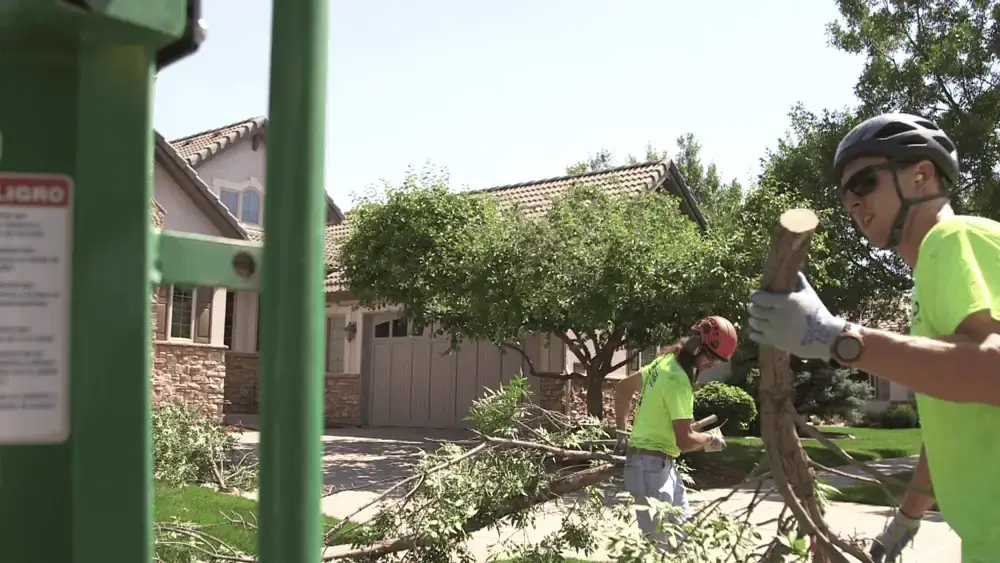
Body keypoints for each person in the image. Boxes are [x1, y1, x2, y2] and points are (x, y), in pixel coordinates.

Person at [745, 112, 1000, 563]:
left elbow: (993, 370)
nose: (852, 203)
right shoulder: (930, 275)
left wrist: (837, 338)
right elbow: (949, 425)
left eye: (864, 182)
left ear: (921, 174)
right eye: (845, 194)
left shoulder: (954, 238)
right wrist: (906, 520)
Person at [613, 315, 735, 552]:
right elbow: (686, 440)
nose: (711, 364)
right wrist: (711, 440)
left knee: (682, 541)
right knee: (666, 550)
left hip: (656, 466)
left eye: (717, 361)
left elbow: (623, 388)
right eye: (710, 357)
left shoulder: (665, 362)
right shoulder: (678, 379)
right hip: (652, 470)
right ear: (697, 346)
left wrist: (621, 432)